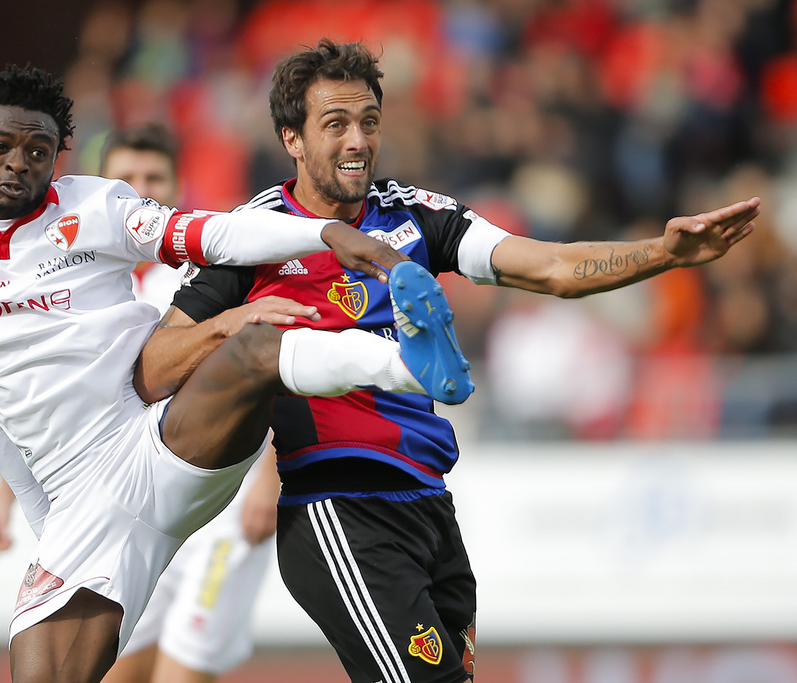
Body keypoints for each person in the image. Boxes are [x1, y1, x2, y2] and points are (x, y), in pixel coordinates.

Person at [139, 39, 762, 683]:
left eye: (369, 122)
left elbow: (549, 267)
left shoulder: (412, 215)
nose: (357, 140)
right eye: (336, 125)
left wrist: (664, 254)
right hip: (339, 504)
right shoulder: (252, 236)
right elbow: (157, 361)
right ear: (291, 138)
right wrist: (238, 327)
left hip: (429, 502)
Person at [0, 64, 467, 683]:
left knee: (256, 343)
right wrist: (43, 519)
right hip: (78, 503)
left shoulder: (97, 206)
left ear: (58, 158)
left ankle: (409, 365)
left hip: (158, 442)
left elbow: (214, 232)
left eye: (38, 150)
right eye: (1, 147)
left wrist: (324, 232)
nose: (19, 163)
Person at [0, 121, 279, 683]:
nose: (140, 189)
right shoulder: (87, 290)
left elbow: (271, 359)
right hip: (127, 504)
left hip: (222, 506)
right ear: (101, 192)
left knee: (183, 672)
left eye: (153, 177)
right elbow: (54, 407)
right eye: (126, 178)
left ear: (176, 184)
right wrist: (5, 498)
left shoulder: (215, 271)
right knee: (119, 668)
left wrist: (271, 478)